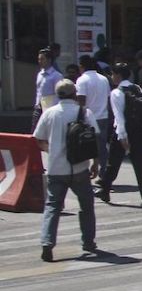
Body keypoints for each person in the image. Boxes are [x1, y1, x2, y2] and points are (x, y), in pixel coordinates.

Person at [34, 79, 99, 262]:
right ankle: (88, 241)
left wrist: (52, 150)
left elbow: (38, 139)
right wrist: (96, 163)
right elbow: (94, 139)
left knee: (52, 207)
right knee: (86, 206)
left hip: (56, 168)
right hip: (79, 167)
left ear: (57, 95)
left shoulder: (50, 113)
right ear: (74, 93)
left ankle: (47, 243)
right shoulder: (84, 112)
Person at [97, 63, 142, 206]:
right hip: (139, 130)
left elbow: (119, 117)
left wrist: (122, 136)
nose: (111, 77)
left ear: (117, 75)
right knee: (141, 163)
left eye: (112, 74)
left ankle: (105, 189)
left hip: (123, 131)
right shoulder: (137, 88)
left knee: (113, 162)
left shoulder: (117, 93)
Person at [75, 55, 112, 173]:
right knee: (101, 147)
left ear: (81, 66)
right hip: (103, 116)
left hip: (87, 118)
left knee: (85, 146)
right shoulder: (104, 79)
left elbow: (81, 101)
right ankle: (104, 172)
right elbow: (107, 97)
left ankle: (86, 172)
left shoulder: (81, 80)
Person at [33, 48, 63, 130]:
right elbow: (38, 91)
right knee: (35, 131)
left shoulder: (57, 76)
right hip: (38, 108)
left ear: (49, 60)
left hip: (50, 108)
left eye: (42, 59)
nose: (40, 61)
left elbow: (58, 94)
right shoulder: (40, 74)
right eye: (39, 59)